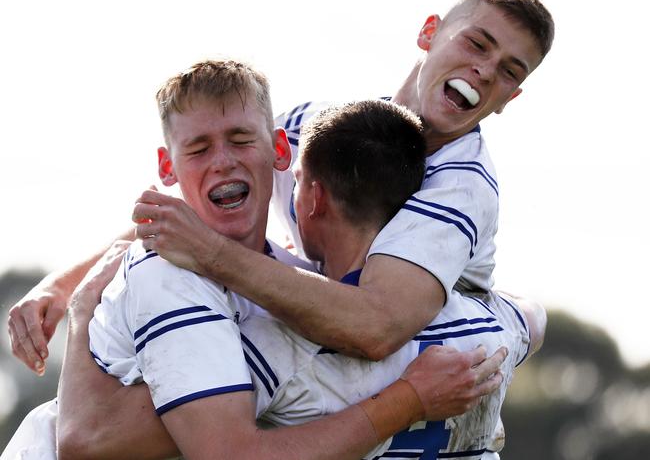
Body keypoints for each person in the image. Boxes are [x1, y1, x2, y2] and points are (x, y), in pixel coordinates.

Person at [7, 0, 552, 375]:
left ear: (512, 97)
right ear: (429, 33)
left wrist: (213, 255)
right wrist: (62, 287)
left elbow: (375, 327)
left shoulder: (463, 185)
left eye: (509, 70)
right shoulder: (320, 125)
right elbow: (196, 207)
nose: (485, 69)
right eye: (477, 43)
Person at [2, 61, 504, 460]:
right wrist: (410, 401)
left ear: (280, 151)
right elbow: (96, 444)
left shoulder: (298, 288)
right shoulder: (167, 277)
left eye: (241, 140)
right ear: (167, 169)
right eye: (198, 148)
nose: (222, 160)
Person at [241, 101, 547, 458]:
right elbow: (533, 320)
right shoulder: (488, 324)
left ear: (316, 199)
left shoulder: (276, 342)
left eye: (297, 184)